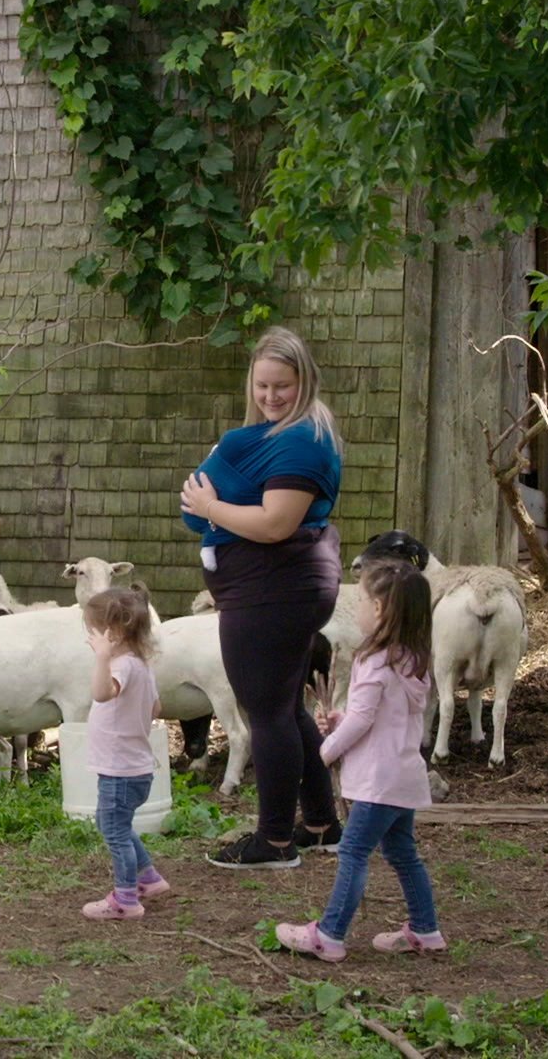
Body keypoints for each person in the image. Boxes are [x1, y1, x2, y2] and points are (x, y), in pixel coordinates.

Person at [180, 326, 345, 869]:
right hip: (278, 590)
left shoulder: (300, 440)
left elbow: (275, 524)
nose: (271, 397)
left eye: (284, 387)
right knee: (284, 707)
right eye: (263, 386)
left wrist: (210, 507)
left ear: (306, 383)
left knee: (265, 713)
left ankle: (273, 842)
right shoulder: (287, 435)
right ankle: (320, 824)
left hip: (274, 591)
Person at [276, 558, 446, 960]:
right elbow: (382, 715)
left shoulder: (374, 660)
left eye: (365, 601)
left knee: (352, 853)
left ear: (382, 610)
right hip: (403, 774)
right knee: (403, 853)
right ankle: (426, 930)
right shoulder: (411, 659)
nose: (359, 608)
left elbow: (366, 718)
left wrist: (327, 748)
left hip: (378, 781)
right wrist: (341, 720)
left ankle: (330, 935)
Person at [78, 586, 169, 921]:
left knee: (115, 832)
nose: (91, 639)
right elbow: (156, 707)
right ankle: (148, 878)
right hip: (135, 768)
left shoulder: (122, 667)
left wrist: (102, 658)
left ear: (112, 634)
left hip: (120, 770)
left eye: (93, 633)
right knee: (112, 822)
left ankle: (126, 900)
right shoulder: (142, 666)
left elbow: (102, 694)